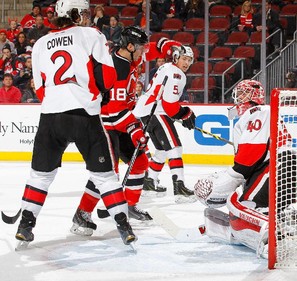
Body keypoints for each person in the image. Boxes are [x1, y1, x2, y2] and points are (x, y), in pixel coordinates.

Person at [14, 0, 136, 249]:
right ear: (73, 14)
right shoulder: (91, 34)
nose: (85, 17)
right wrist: (100, 93)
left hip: (50, 116)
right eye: (82, 13)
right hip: (83, 114)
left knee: (40, 176)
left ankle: (26, 225)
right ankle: (124, 226)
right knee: (104, 177)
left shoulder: (39, 44)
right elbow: (108, 77)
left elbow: (40, 87)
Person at [71, 27, 184, 234]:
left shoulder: (132, 56)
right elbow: (115, 112)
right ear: (130, 47)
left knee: (140, 162)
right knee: (106, 173)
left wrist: (170, 46)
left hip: (121, 119)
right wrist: (135, 130)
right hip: (104, 123)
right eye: (140, 48)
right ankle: (82, 214)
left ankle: (130, 205)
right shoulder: (116, 69)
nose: (144, 52)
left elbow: (155, 50)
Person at [194, 80, 297, 256]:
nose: (238, 98)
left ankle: (273, 238)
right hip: (281, 168)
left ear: (255, 96)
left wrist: (227, 179)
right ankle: (292, 221)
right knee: (250, 204)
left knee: (242, 208)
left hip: (279, 167)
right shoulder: (257, 115)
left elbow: (249, 157)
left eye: (243, 93)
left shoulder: (257, 112)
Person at [133, 45, 197, 203]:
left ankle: (149, 182)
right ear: (176, 57)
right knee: (175, 148)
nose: (186, 63)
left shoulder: (166, 67)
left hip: (145, 110)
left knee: (162, 150)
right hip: (156, 111)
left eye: (189, 60)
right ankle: (179, 188)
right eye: (184, 58)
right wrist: (184, 114)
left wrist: (181, 114)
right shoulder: (177, 73)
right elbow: (169, 105)